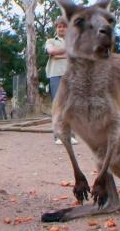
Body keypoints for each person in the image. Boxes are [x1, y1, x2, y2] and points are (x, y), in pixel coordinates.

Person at [45, 16, 78, 145]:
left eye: (64, 26)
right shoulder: (51, 40)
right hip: (55, 75)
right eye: (59, 26)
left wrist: (59, 55)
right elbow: (51, 51)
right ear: (56, 28)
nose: (62, 29)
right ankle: (58, 136)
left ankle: (71, 135)